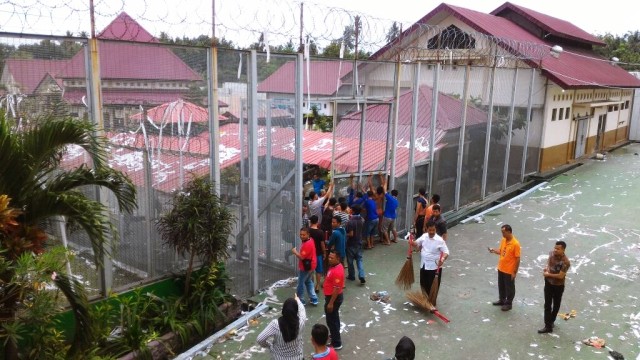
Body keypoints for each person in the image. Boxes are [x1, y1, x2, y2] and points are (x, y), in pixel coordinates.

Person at [410, 220, 449, 305]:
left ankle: (432, 303)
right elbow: (416, 243)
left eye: (433, 230)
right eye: (430, 230)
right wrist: (412, 242)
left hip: (434, 267)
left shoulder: (439, 240)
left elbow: (446, 252)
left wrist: (442, 259)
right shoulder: (424, 236)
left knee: (432, 286)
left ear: (435, 230)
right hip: (424, 265)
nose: (431, 232)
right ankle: (425, 300)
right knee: (423, 284)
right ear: (426, 229)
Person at [257, 294, 306, 360]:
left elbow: (260, 339)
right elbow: (302, 310)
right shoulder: (301, 321)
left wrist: (270, 346)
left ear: (283, 310)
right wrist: (297, 300)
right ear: (296, 310)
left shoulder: (275, 324)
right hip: (298, 357)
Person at [538, 241, 571, 334]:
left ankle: (551, 320)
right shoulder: (551, 253)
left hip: (558, 286)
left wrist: (548, 274)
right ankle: (547, 325)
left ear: (563, 250)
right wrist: (546, 268)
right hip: (548, 283)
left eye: (558, 249)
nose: (555, 250)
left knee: (556, 305)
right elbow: (548, 262)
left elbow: (561, 276)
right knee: (547, 304)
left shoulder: (565, 262)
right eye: (555, 248)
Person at [488, 224, 521, 311]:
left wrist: (514, 272)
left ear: (509, 232)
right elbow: (502, 251)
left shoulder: (515, 244)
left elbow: (517, 259)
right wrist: (493, 250)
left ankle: (509, 303)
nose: (502, 234)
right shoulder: (503, 240)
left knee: (509, 288)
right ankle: (502, 300)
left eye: (504, 232)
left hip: (509, 270)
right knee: (501, 285)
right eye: (502, 232)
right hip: (501, 268)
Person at [324, 251, 345, 350]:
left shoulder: (337, 271)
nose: (329, 259)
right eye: (329, 257)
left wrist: (331, 303)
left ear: (338, 259)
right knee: (334, 317)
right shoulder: (335, 266)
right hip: (331, 297)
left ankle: (336, 343)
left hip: (333, 298)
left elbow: (336, 288)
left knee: (331, 320)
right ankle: (334, 334)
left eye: (332, 258)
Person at [292, 228, 318, 306]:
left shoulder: (307, 244)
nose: (302, 236)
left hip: (306, 267)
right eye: (301, 234)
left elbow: (302, 257)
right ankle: (314, 299)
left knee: (300, 283)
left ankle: (300, 300)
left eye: (304, 235)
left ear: (308, 234)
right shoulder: (311, 240)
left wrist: (295, 252)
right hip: (312, 264)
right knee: (308, 281)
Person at [345, 204, 365, 284]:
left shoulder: (350, 222)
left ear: (352, 211)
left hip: (351, 244)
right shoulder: (362, 219)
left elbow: (351, 234)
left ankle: (352, 276)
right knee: (359, 260)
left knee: (350, 261)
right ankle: (361, 275)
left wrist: (344, 234)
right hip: (359, 242)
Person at [308, 216, 326, 293]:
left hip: (310, 254)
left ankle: (311, 284)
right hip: (318, 254)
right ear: (317, 222)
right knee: (318, 271)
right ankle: (317, 285)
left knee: (311, 270)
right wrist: (324, 252)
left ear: (310, 222)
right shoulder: (320, 232)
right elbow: (322, 244)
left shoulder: (308, 231)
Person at [380, 173, 399, 245]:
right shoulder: (396, 201)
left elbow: (384, 190)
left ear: (392, 193)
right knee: (393, 228)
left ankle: (388, 241)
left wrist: (384, 179)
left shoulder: (390, 198)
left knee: (384, 229)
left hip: (387, 216)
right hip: (393, 216)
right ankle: (395, 239)